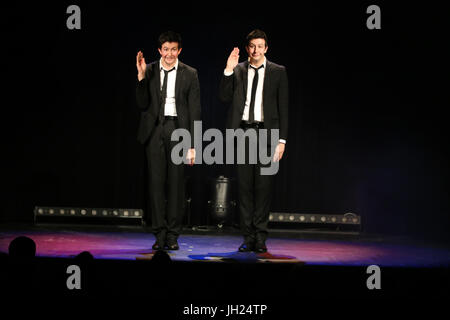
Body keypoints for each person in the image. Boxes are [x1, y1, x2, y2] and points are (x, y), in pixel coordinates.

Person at [219, 29, 289, 253]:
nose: (256, 50)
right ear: (247, 48)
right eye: (252, 46)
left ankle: (260, 237)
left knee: (263, 188)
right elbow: (224, 96)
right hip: (243, 134)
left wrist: (282, 141)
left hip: (267, 135)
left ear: (266, 48)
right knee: (245, 189)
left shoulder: (278, 71)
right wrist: (229, 69)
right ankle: (248, 237)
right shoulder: (238, 70)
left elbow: (283, 109)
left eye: (260, 46)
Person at [136, 31, 201, 250]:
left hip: (178, 129)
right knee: (156, 185)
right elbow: (142, 102)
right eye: (166, 49)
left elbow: (195, 111)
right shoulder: (151, 69)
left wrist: (193, 146)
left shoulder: (190, 73)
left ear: (179, 50)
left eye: (174, 49)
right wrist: (141, 77)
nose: (169, 54)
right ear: (159, 50)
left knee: (175, 186)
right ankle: (159, 234)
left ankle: (173, 235)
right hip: (155, 131)